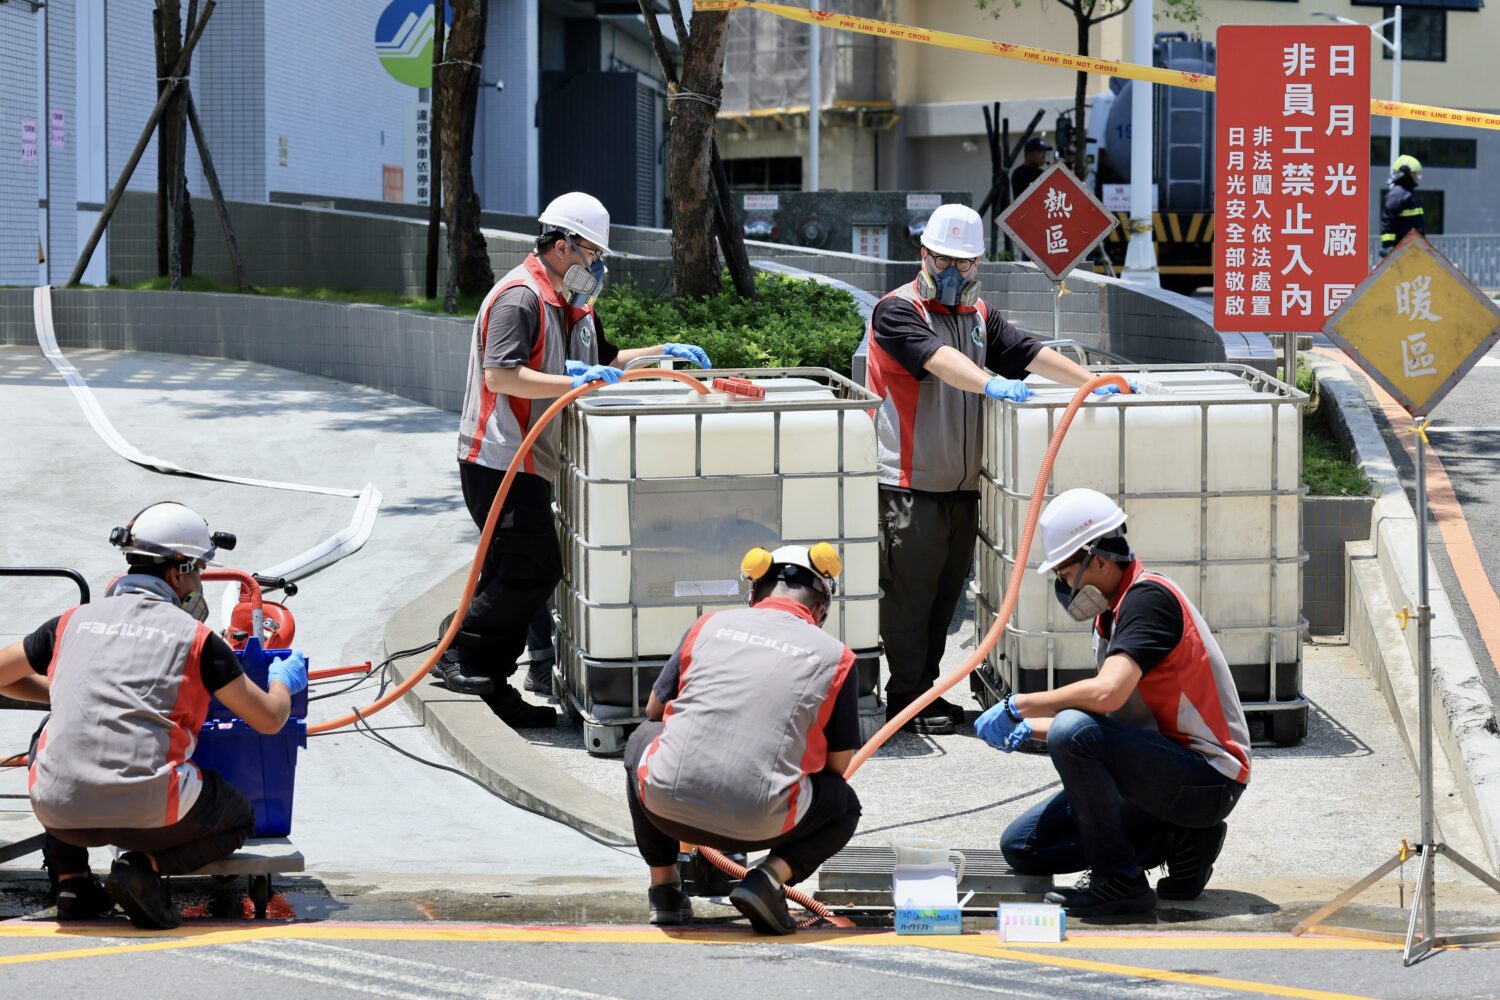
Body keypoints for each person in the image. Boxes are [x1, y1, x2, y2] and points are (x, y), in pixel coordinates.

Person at [442, 191, 712, 726]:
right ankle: (460, 654)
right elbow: (501, 374)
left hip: (535, 460)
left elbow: (607, 362)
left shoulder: (574, 304)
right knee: (532, 568)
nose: (598, 264)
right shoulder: (518, 298)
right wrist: (574, 381)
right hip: (500, 457)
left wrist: (661, 353)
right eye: (592, 252)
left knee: (511, 570)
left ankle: (487, 682)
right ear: (562, 246)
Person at [0, 502, 308, 929]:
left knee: (51, 740)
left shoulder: (70, 623)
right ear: (178, 571)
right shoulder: (198, 640)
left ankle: (72, 882)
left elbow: (1, 676)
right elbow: (270, 720)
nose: (199, 581)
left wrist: (63, 695)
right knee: (238, 816)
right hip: (155, 816)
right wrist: (282, 680)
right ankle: (142, 867)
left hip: (61, 815)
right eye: (198, 570)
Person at [865, 202, 1110, 734]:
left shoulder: (978, 319)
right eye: (942, 260)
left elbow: (1025, 351)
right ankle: (906, 700)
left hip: (962, 487)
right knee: (910, 601)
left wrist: (1091, 382)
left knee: (943, 598)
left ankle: (924, 696)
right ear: (923, 255)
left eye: (964, 263)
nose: (952, 273)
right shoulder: (897, 310)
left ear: (978, 265)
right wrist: (989, 381)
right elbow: (936, 360)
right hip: (909, 487)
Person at [976, 489, 1251, 917]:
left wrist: (1023, 704)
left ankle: (1119, 880)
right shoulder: (1113, 615)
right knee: (1023, 846)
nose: (1064, 587)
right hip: (1161, 770)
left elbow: (1107, 695)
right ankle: (1179, 838)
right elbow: (1111, 721)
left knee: (1070, 731)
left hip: (1207, 778)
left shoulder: (1148, 601)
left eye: (1065, 573)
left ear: (1098, 560)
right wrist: (1027, 730)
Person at [624, 544, 863, 935]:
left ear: (754, 592)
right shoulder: (837, 657)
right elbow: (837, 768)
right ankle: (767, 879)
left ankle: (664, 889)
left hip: (667, 809)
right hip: (763, 825)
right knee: (843, 804)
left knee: (642, 739)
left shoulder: (708, 625)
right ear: (822, 608)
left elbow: (654, 710)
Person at [1380, 154, 1425, 257]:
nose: (1417, 177)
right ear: (1406, 174)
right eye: (1415, 173)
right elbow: (1389, 221)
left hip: (1413, 249)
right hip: (1400, 250)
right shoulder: (1397, 195)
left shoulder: (1409, 194)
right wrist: (1387, 246)